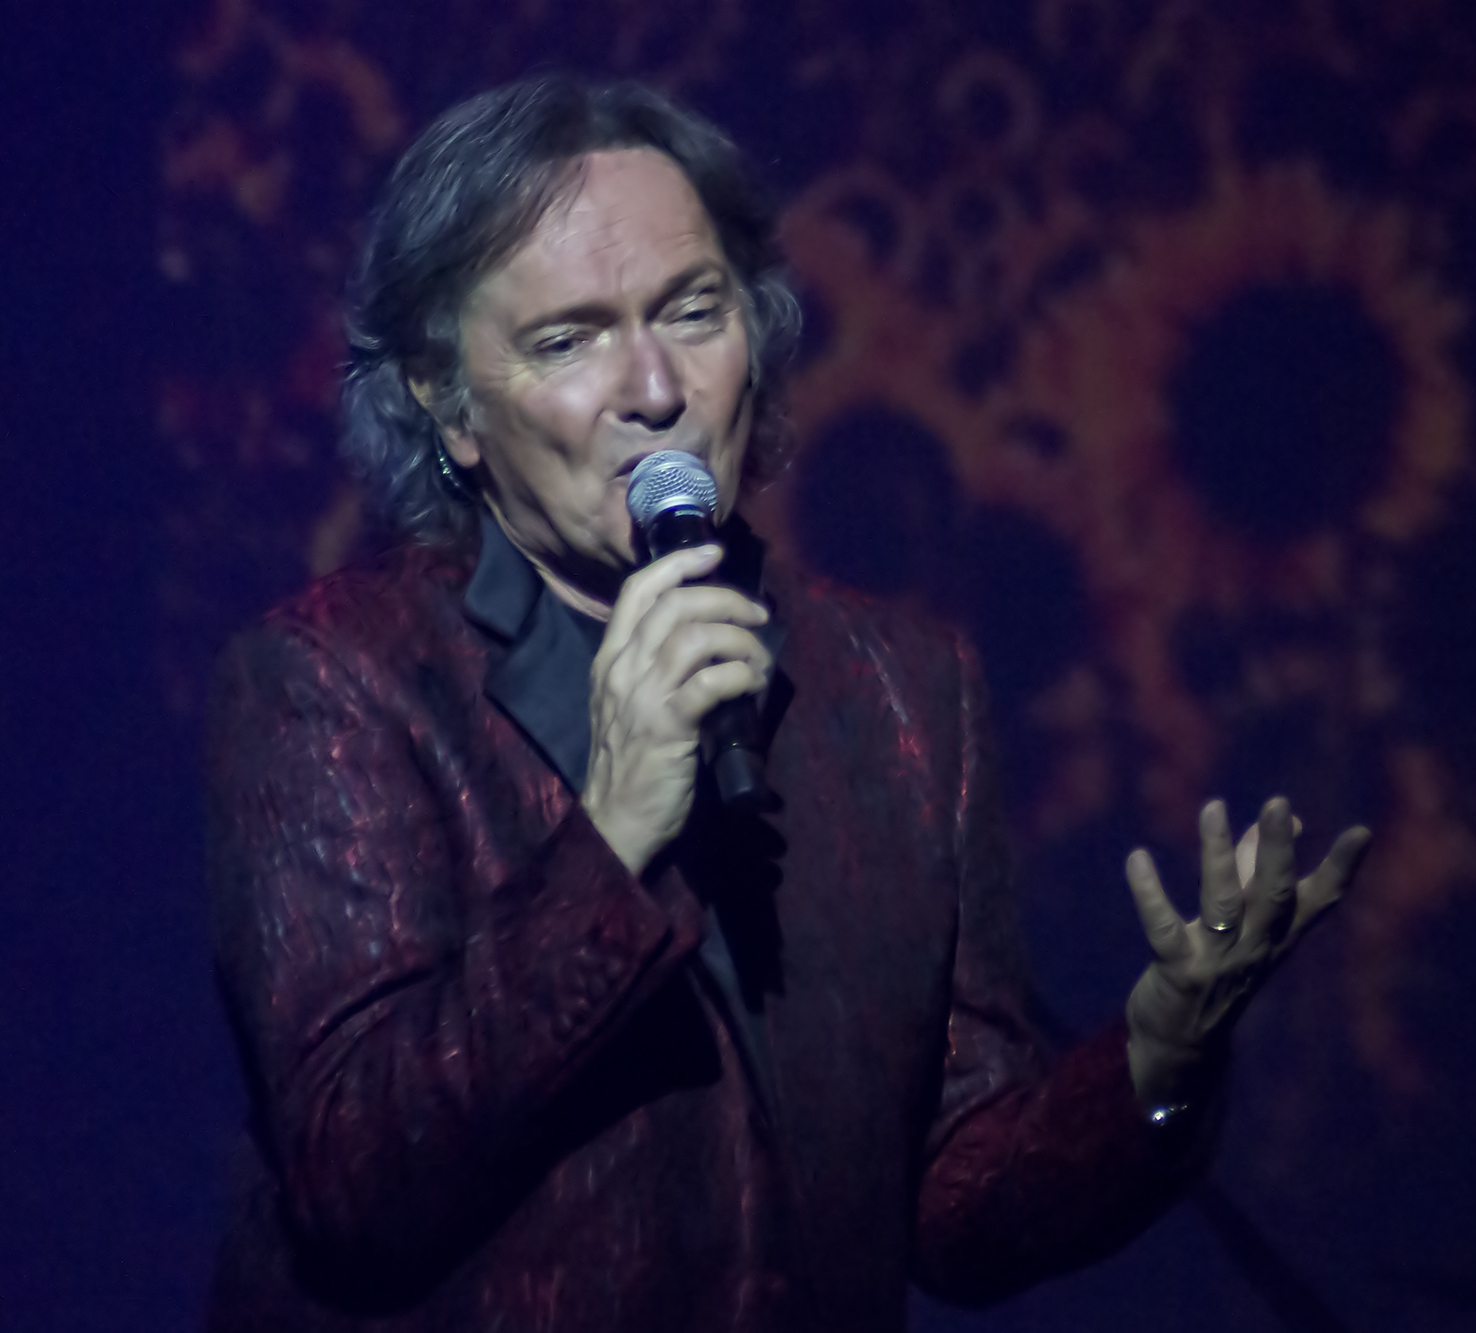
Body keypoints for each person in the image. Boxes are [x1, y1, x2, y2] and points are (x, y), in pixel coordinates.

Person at [204, 73, 1370, 1332]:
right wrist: (611, 841)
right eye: (568, 340)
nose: (654, 387)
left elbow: (954, 1198)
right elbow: (355, 1178)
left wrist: (1156, 1062)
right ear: (447, 404)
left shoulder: (902, 690)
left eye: (692, 311)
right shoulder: (338, 683)